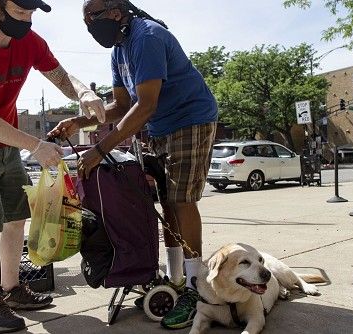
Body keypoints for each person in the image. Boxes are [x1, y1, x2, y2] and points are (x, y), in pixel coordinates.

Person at [49, 0, 217, 329]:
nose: (90, 27)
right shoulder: (119, 50)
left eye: (92, 18)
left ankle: (198, 290)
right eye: (85, 22)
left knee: (182, 201)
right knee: (167, 203)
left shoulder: (147, 38)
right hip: (161, 128)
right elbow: (121, 105)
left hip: (190, 120)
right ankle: (176, 278)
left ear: (115, 12)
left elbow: (145, 106)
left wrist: (99, 149)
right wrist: (80, 121)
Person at [0, 1, 105, 332]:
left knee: (16, 220)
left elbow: (58, 74)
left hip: (7, 144)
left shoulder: (28, 41)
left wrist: (83, 92)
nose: (28, 20)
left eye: (32, 12)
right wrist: (36, 146)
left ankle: (12, 290)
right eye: (20, 11)